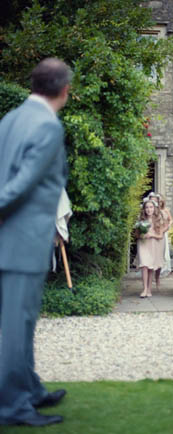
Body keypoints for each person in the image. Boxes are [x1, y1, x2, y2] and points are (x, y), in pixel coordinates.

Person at [0, 58, 72, 427]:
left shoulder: (10, 119)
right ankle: (13, 406)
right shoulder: (47, 124)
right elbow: (21, 185)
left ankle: (30, 389)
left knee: (22, 322)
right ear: (65, 90)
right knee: (16, 326)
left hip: (11, 240)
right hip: (21, 241)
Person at [135, 199, 165, 298]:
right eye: (147, 207)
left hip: (153, 244)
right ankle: (144, 289)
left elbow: (160, 236)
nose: (149, 209)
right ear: (144, 209)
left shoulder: (158, 220)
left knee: (150, 267)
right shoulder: (140, 220)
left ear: (154, 208)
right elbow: (136, 234)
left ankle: (149, 289)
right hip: (143, 244)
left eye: (151, 207)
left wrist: (151, 234)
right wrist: (141, 235)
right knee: (144, 265)